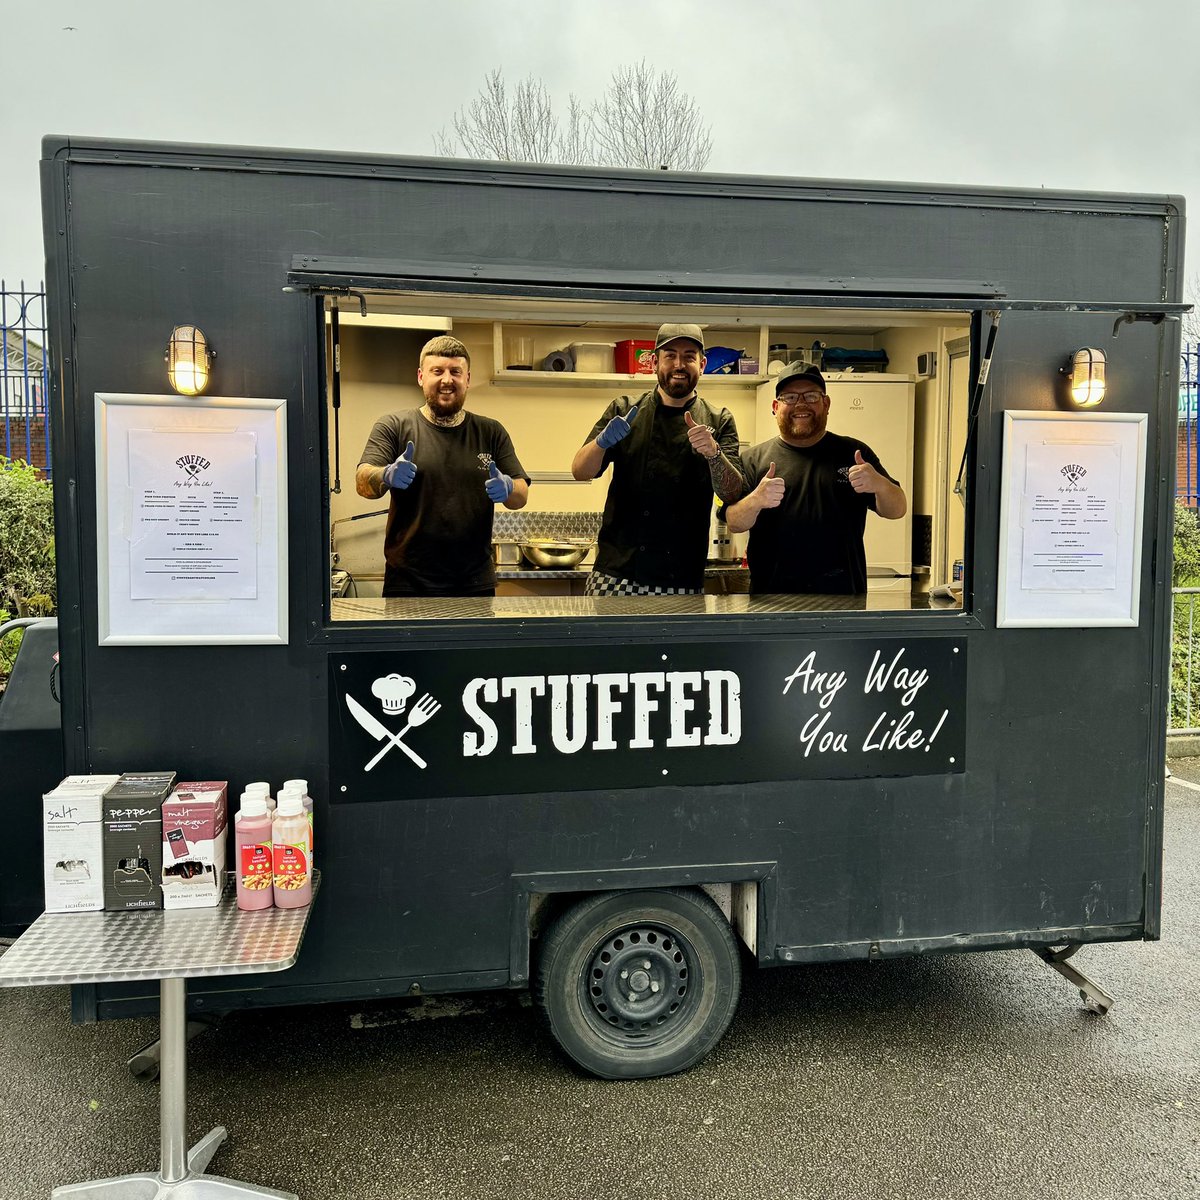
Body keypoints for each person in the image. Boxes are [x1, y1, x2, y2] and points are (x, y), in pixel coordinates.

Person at [571, 323, 744, 596]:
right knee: (605, 641)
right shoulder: (625, 409)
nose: (679, 364)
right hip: (617, 572)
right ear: (654, 362)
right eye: (670, 355)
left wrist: (714, 455)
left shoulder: (719, 419)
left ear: (702, 364)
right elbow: (580, 471)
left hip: (682, 576)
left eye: (689, 356)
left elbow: (733, 492)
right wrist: (601, 443)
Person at [356, 334, 529, 596]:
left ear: (467, 379)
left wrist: (508, 488)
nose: (447, 380)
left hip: (474, 584)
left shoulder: (491, 431)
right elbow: (362, 481)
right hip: (408, 583)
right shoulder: (393, 426)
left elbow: (520, 495)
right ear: (421, 377)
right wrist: (386, 475)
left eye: (455, 372)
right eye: (437, 371)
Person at [724, 363, 906, 594]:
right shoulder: (752, 459)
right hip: (771, 602)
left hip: (844, 600)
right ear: (775, 406)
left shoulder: (855, 453)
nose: (801, 404)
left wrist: (879, 485)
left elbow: (897, 509)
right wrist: (756, 500)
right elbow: (734, 523)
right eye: (789, 397)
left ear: (826, 404)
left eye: (811, 396)